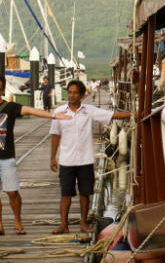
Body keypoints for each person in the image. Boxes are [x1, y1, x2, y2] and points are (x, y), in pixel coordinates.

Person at [49, 79, 131, 235]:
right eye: (70, 92)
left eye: (75, 93)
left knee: (85, 192)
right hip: (66, 159)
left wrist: (133, 114)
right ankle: (63, 225)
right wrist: (53, 157)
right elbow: (55, 136)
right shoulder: (59, 112)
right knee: (65, 193)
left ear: (82, 95)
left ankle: (83, 224)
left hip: (85, 159)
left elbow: (112, 115)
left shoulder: (89, 110)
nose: (72, 95)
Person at [0, 75, 72, 236]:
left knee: (12, 192)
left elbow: (31, 110)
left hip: (6, 157)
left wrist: (54, 115)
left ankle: (17, 219)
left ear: (3, 89)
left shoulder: (10, 107)